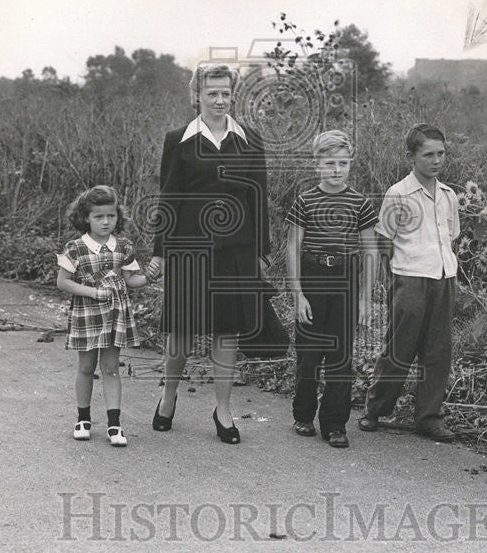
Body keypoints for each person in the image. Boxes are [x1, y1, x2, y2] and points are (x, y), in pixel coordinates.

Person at [147, 64, 272, 444]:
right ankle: (168, 397)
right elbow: (168, 197)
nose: (219, 100)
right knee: (182, 332)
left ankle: (223, 410)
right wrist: (160, 253)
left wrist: (261, 251)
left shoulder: (250, 139)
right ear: (196, 96)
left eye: (224, 93)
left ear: (233, 95)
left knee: (226, 331)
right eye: (211, 93)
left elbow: (257, 198)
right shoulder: (178, 140)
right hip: (188, 249)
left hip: (234, 250)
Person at [358, 124, 461, 442]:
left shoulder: (448, 195)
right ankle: (375, 410)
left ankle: (428, 418)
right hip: (410, 281)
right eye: (428, 154)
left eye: (441, 154)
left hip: (443, 279)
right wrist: (399, 278)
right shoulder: (398, 193)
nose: (436, 161)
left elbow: (451, 237)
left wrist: (441, 268)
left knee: (438, 351)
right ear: (411, 157)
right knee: (399, 349)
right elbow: (384, 241)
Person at [286, 130, 378, 448]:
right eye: (330, 163)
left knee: (340, 356)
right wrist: (298, 295)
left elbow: (371, 251)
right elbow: (293, 248)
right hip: (312, 278)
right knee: (309, 355)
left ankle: (335, 423)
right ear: (317, 165)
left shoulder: (360, 203)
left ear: (351, 164)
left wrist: (365, 299)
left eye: (343, 163)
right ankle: (303, 414)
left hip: (345, 280)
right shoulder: (305, 201)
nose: (337, 169)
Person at [56, 185, 154, 447]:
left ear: (117, 217)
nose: (105, 221)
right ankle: (83, 419)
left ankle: (114, 424)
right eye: (98, 216)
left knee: (111, 368)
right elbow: (63, 282)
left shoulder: (123, 247)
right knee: (86, 367)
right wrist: (91, 291)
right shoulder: (75, 248)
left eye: (110, 216)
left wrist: (152, 275)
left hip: (114, 316)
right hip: (87, 315)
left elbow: (131, 280)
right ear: (86, 217)